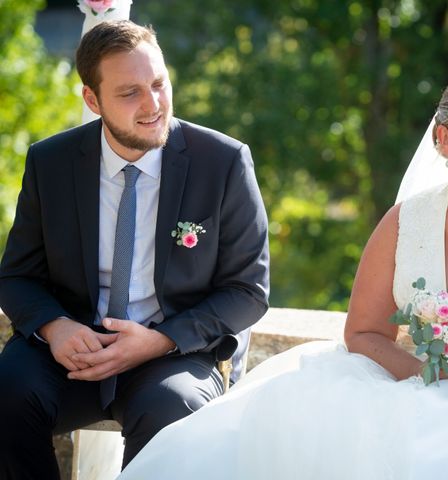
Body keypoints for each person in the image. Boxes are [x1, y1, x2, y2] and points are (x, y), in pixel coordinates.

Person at [118, 69, 448, 480]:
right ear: (444, 138)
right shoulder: (406, 219)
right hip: (412, 381)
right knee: (301, 415)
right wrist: (427, 377)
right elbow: (363, 331)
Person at [0, 20, 269, 479]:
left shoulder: (223, 162)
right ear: (92, 99)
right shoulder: (51, 162)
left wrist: (160, 341)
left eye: (160, 85)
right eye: (130, 93)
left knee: (175, 411)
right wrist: (54, 326)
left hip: (172, 352)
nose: (153, 105)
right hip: (73, 349)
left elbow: (248, 290)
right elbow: (16, 275)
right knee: (6, 392)